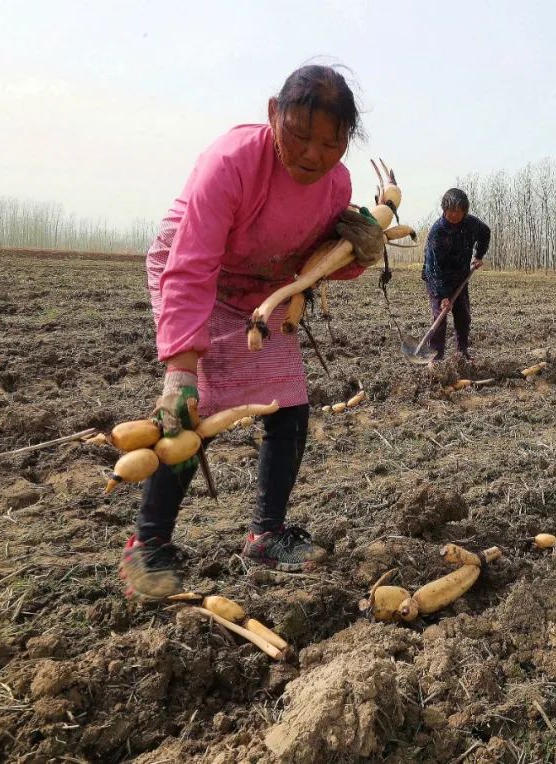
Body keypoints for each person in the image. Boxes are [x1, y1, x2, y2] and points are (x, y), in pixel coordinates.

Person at [120, 65, 387, 599]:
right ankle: (147, 546)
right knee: (193, 410)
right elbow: (192, 264)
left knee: (288, 403)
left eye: (331, 143)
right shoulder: (232, 161)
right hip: (197, 272)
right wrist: (180, 370)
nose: (313, 154)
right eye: (300, 136)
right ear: (272, 114)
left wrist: (360, 254)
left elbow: (316, 264)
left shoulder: (337, 184)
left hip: (262, 292)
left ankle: (266, 534)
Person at [422, 188, 491, 361]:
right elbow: (433, 268)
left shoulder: (471, 224)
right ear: (444, 210)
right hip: (437, 279)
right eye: (450, 211)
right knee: (441, 317)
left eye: (458, 212)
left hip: (460, 277)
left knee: (463, 317)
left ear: (464, 212)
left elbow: (485, 233)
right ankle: (436, 359)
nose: (454, 215)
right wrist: (442, 295)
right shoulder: (437, 232)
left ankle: (462, 353)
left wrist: (478, 255)